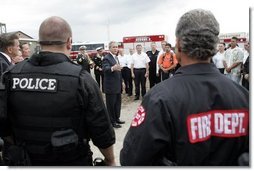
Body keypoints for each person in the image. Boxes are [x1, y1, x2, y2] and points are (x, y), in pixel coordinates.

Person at [120, 9, 249, 166]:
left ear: (179, 45)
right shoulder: (244, 97)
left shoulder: (159, 98)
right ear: (215, 47)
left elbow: (132, 159)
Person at [0, 16, 116, 166]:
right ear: (69, 42)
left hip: (23, 161)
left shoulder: (10, 75)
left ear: (40, 42)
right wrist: (110, 159)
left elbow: (2, 122)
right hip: (69, 162)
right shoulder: (81, 79)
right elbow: (101, 129)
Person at [102, 41, 125, 128]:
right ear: (110, 48)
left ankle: (117, 118)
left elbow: (119, 71)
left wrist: (122, 82)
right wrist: (113, 68)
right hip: (110, 86)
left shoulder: (116, 57)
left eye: (116, 47)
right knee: (111, 105)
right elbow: (105, 69)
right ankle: (112, 122)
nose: (116, 48)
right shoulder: (106, 58)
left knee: (117, 103)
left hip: (117, 85)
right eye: (114, 47)